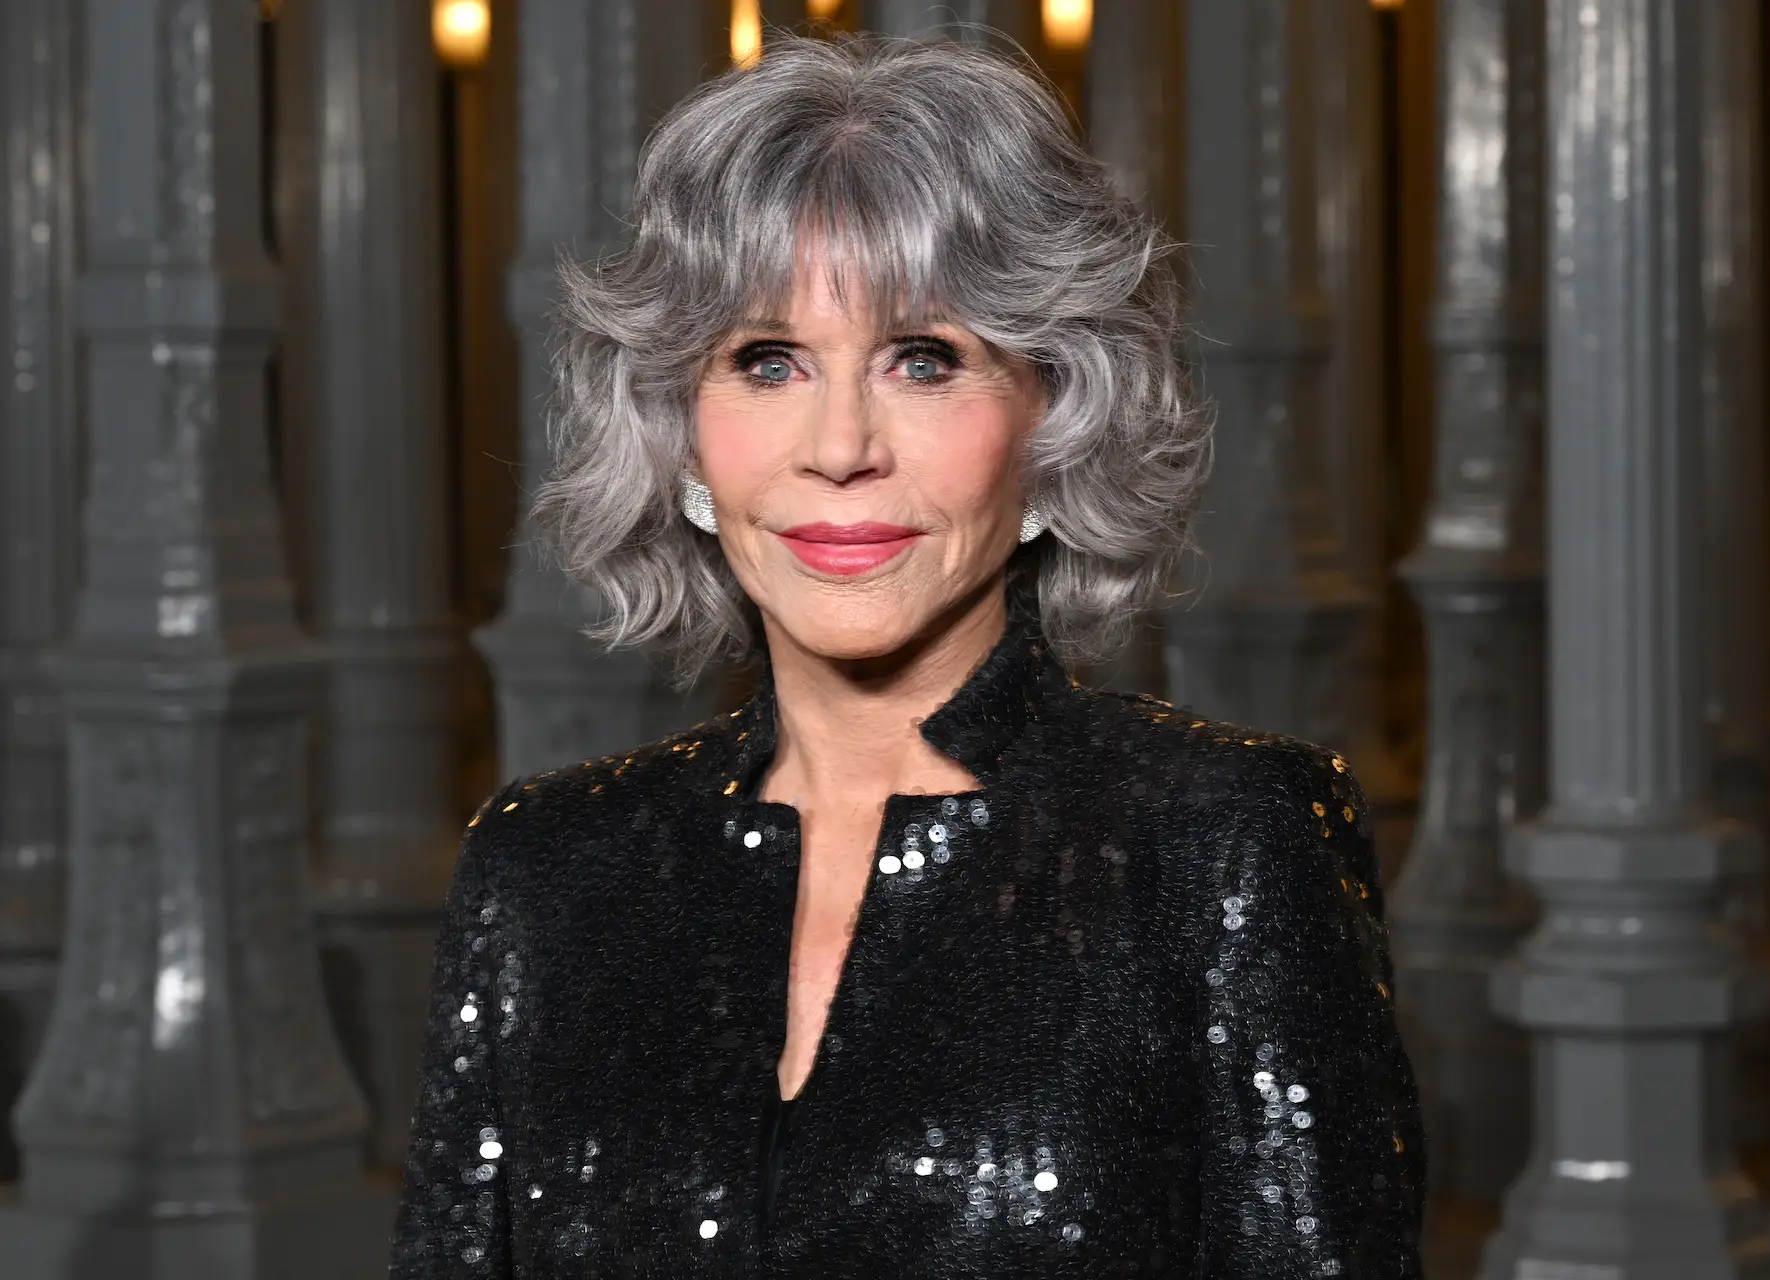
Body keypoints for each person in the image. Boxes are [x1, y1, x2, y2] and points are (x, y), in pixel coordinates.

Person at [391, 34, 1424, 1278]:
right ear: (682, 441)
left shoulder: (1227, 843)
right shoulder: (542, 869)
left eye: (924, 358)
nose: (840, 445)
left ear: (1053, 423)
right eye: (766, 361)